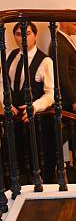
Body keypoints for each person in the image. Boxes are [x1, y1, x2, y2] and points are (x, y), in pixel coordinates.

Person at [0, 21, 55, 184]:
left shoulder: (45, 61)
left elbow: (51, 94)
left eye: (27, 34)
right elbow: (2, 83)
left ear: (35, 36)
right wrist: (6, 104)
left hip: (36, 122)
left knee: (37, 164)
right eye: (18, 34)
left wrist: (35, 107)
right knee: (15, 162)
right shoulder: (9, 56)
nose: (22, 38)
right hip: (13, 120)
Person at [49, 22, 76, 167]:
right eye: (74, 24)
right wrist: (74, 99)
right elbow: (62, 75)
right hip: (68, 97)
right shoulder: (59, 44)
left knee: (74, 126)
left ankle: (75, 159)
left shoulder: (64, 39)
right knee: (69, 127)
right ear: (63, 23)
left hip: (73, 94)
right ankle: (52, 156)